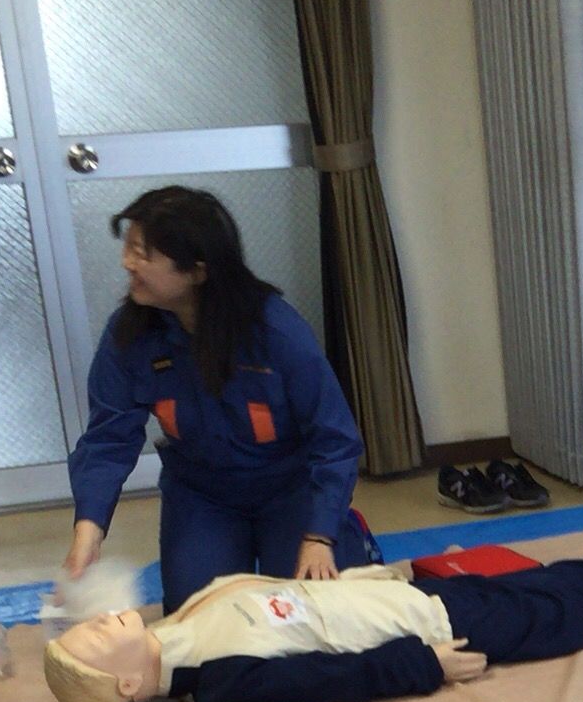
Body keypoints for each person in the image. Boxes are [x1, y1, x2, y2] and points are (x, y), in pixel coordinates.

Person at [43, 501, 583, 702]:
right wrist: (424, 666)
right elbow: (328, 678)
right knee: (574, 614)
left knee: (558, 576)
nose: (99, 621)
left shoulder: (186, 616)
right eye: (96, 640)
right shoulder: (218, 678)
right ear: (129, 684)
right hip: (438, 630)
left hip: (406, 595)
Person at [65, 186, 374, 615]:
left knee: (320, 613)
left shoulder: (276, 332)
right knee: (200, 621)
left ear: (197, 271)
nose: (127, 263)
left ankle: (348, 532)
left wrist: (320, 535)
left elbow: (335, 438)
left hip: (291, 490)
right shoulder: (131, 335)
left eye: (141, 253)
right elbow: (108, 438)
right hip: (203, 495)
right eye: (128, 248)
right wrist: (89, 528)